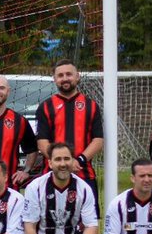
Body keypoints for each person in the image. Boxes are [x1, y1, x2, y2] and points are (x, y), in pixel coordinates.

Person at [35, 61, 103, 189]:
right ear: (55, 79)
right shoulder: (45, 107)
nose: (65, 78)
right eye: (60, 75)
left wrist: (78, 161)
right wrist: (63, 162)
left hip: (84, 174)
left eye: (69, 74)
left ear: (77, 76)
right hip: (52, 176)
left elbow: (98, 141)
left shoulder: (91, 106)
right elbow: (42, 143)